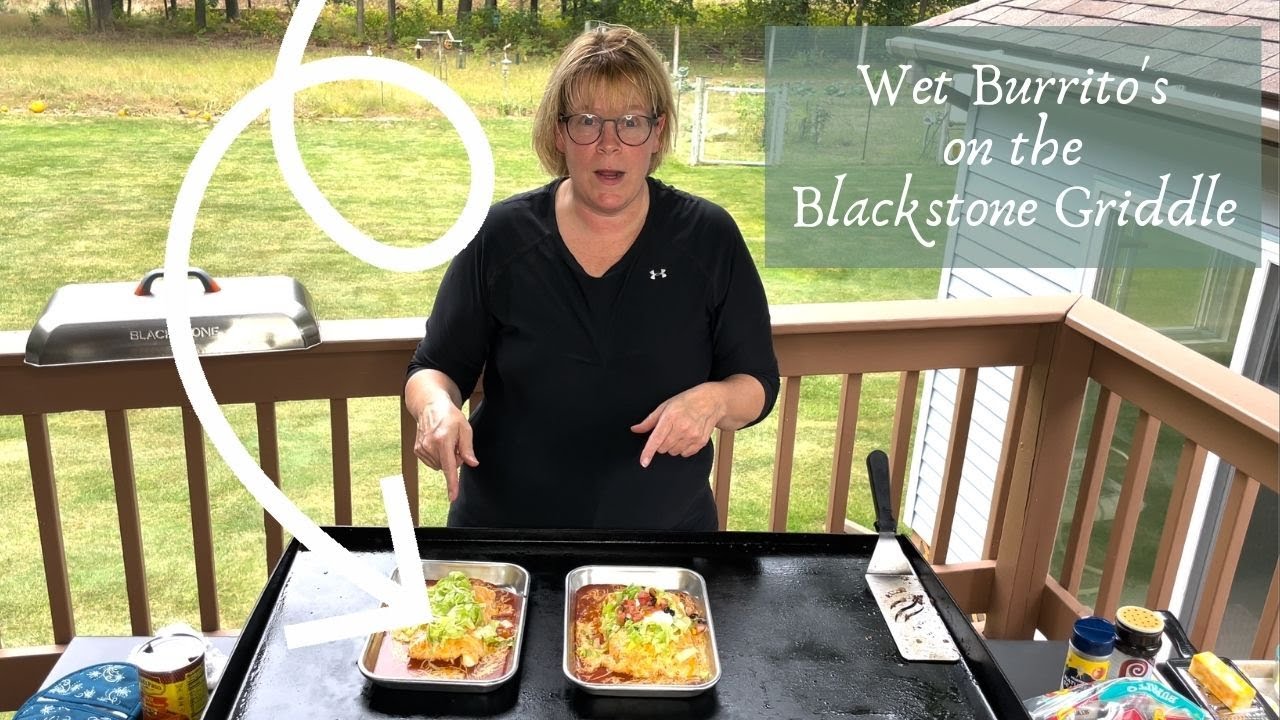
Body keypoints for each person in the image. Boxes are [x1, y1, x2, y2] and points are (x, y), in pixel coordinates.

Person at [405, 25, 778, 531]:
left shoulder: (708, 237)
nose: (609, 144)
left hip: (665, 545)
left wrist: (714, 401)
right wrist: (436, 408)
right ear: (559, 133)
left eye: (631, 122)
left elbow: (756, 383)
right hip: (506, 540)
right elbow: (433, 368)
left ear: (658, 132)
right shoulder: (501, 235)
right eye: (587, 121)